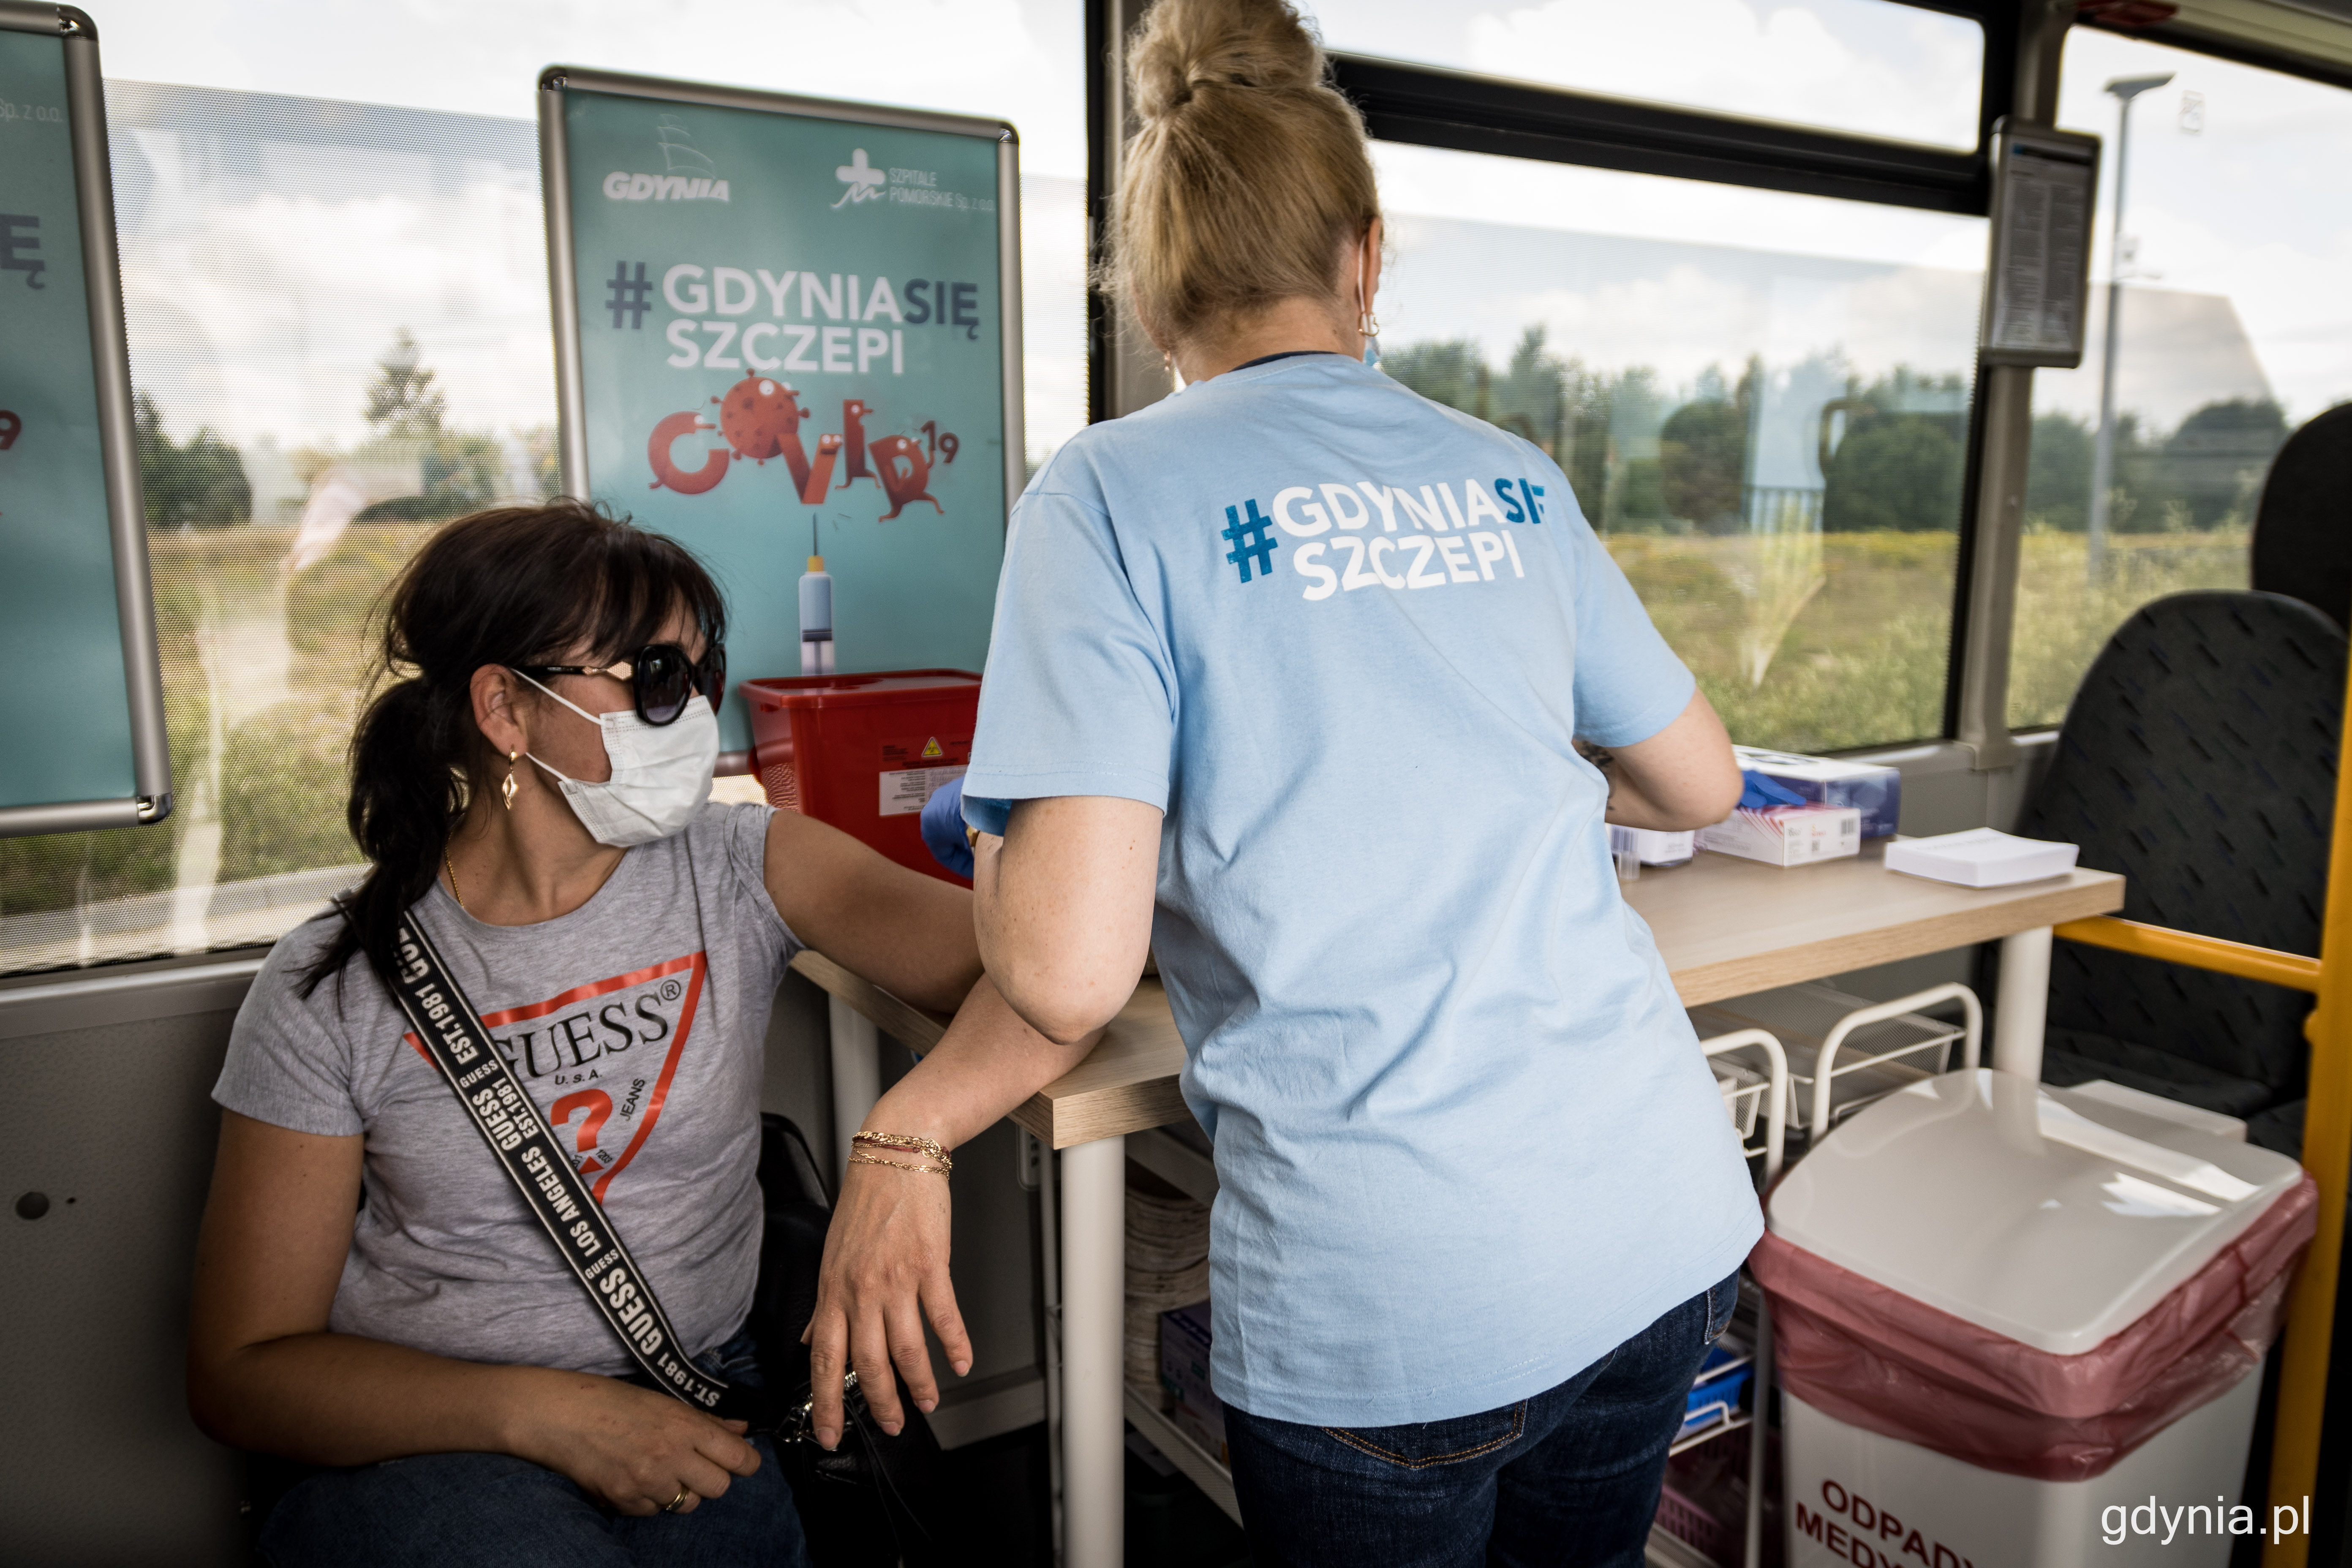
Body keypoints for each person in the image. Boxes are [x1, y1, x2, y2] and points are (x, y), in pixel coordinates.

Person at [956, 0, 1762, 1561]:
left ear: (1145, 288)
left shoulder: (1106, 492)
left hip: (1396, 1293)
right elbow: (1696, 785)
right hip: (1656, 1225)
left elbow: (1062, 971)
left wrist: (1007, 836)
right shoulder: (1509, 474)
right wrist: (1520, 775)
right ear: (1365, 256)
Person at [186, 499, 1092, 1567]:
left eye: (700, 679)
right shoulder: (331, 988)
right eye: (655, 679)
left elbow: (1057, 968)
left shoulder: (740, 864)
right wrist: (546, 1415)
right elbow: (243, 1368)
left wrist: (907, 1139)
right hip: (431, 1444)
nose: (695, 714)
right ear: (505, 710)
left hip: (696, 1399)